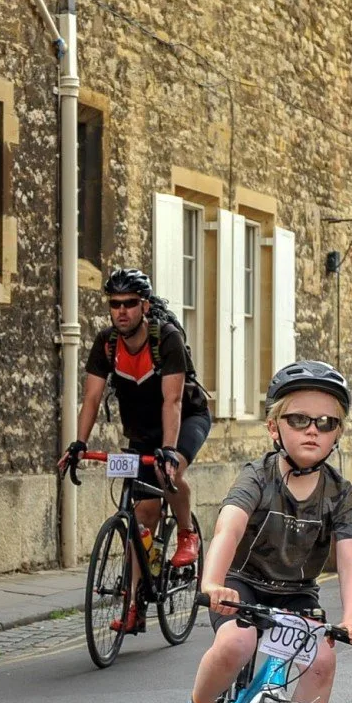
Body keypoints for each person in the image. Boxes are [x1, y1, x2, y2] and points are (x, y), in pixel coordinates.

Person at [159, 361, 352, 703]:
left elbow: (351, 560)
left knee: (323, 660)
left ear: (337, 434)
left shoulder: (340, 494)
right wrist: (213, 582)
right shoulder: (257, 477)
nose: (313, 429)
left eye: (326, 422)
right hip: (241, 584)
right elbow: (230, 525)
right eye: (299, 419)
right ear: (275, 427)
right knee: (236, 643)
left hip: (296, 593)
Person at [58, 269, 211, 634]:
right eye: (115, 304)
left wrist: (170, 452)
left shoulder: (166, 339)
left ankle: (187, 533)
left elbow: (172, 401)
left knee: (167, 474)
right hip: (141, 432)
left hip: (186, 419)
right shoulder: (107, 344)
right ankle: (134, 604)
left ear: (144, 305)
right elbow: (92, 398)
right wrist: (79, 444)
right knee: (140, 520)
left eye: (129, 304)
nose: (121, 311)